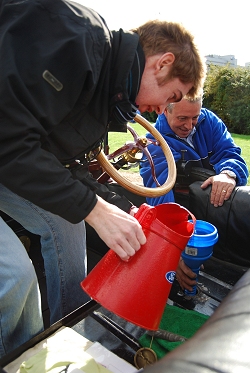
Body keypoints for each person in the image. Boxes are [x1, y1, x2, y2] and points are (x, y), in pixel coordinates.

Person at [0, 0, 206, 357]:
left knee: (69, 222)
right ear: (163, 63)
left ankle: (70, 335)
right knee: (14, 278)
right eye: (171, 96)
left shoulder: (106, 97)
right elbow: (8, 139)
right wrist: (93, 208)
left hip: (9, 163)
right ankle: (21, 360)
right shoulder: (72, 38)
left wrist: (121, 210)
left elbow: (60, 165)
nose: (163, 109)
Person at [140, 94, 248, 291]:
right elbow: (161, 197)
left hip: (213, 217)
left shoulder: (210, 121)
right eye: (182, 118)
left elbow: (231, 153)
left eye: (194, 117)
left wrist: (228, 174)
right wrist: (173, 250)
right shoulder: (154, 142)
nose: (189, 126)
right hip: (185, 219)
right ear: (165, 109)